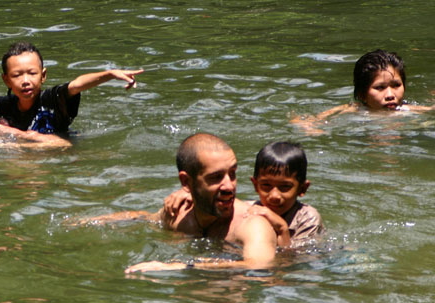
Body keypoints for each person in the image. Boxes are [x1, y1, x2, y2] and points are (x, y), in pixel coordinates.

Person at [105, 133, 277, 273]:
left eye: (232, 174)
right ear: (186, 182)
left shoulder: (252, 224)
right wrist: (87, 222)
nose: (229, 186)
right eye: (216, 177)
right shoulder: (178, 213)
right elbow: (145, 219)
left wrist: (181, 266)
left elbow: (258, 266)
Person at [164, 141, 324, 248]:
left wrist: (282, 228)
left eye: (285, 187)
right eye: (266, 186)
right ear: (255, 184)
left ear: (302, 189)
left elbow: (287, 263)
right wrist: (191, 193)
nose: (274, 195)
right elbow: (216, 200)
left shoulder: (308, 219)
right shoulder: (251, 208)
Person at [0, 41, 144, 132]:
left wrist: (110, 74)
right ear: (6, 80)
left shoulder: (52, 99)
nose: (25, 80)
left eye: (32, 73)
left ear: (43, 76)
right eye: (17, 75)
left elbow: (76, 85)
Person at [291, 49, 434, 135]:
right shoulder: (355, 109)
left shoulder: (406, 109)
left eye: (396, 85)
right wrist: (306, 125)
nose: (390, 95)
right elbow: (312, 120)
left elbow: (430, 110)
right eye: (380, 87)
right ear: (361, 94)